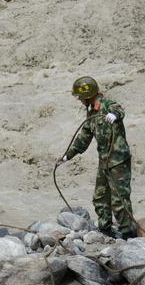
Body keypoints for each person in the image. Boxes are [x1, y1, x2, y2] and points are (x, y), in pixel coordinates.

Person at [57, 77, 135, 238]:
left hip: (118, 161)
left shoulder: (107, 105)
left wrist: (114, 115)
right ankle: (105, 229)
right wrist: (67, 156)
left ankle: (128, 233)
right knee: (100, 196)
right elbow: (84, 137)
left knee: (119, 199)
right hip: (104, 161)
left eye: (80, 97)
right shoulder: (91, 111)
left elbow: (120, 110)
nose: (79, 100)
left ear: (88, 95)